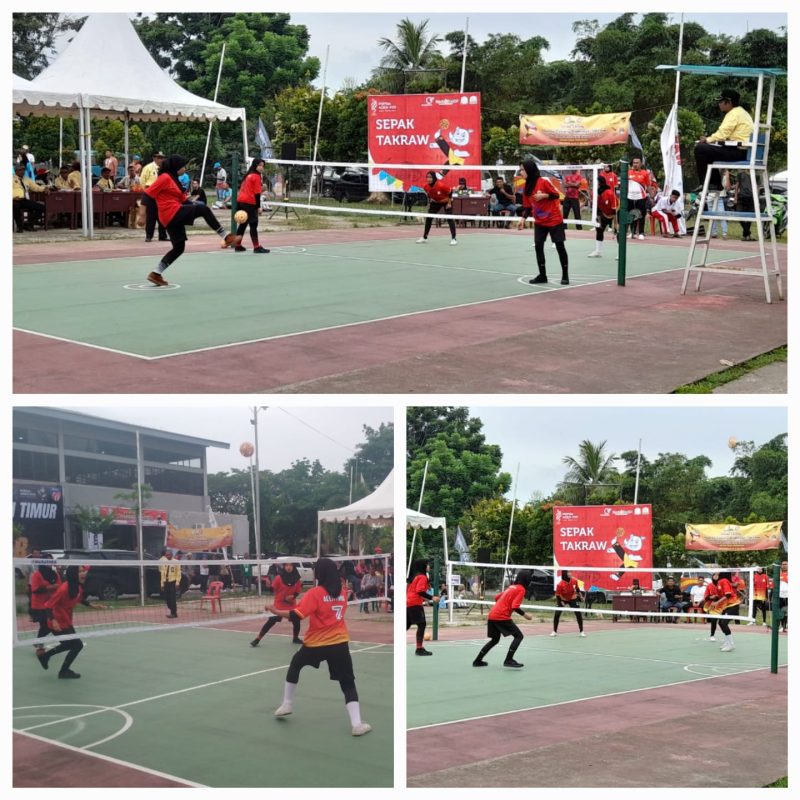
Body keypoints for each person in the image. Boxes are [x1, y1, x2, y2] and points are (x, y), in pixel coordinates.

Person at [271, 558, 371, 736]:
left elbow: (297, 615)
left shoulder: (315, 593)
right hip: (339, 643)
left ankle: (287, 703)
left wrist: (275, 611)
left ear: (320, 574)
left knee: (295, 665)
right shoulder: (342, 591)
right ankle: (357, 724)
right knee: (347, 682)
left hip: (316, 643)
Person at [144, 154, 241, 287]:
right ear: (176, 166)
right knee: (204, 209)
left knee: (179, 247)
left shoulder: (174, 180)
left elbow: (184, 201)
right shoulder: (165, 177)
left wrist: (194, 207)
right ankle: (226, 236)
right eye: (183, 166)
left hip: (172, 215)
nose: (185, 168)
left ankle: (156, 273)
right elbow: (148, 194)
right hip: (170, 212)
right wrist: (143, 214)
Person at [38, 565, 106, 678]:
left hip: (66, 621)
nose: (83, 573)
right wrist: (54, 621)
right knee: (77, 645)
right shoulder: (63, 589)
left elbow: (79, 598)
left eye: (83, 571)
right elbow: (48, 606)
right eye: (80, 571)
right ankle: (63, 671)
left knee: (69, 644)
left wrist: (92, 605)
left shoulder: (76, 587)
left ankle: (45, 656)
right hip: (57, 623)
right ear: (73, 574)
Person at [518, 159, 568, 285]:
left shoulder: (543, 182)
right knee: (538, 247)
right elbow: (528, 206)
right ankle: (542, 275)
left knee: (559, 246)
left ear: (530, 170)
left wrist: (544, 196)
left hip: (554, 219)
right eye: (520, 169)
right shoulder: (526, 188)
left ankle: (565, 275)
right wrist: (523, 218)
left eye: (523, 169)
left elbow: (556, 195)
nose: (521, 172)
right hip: (540, 222)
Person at [694, 89, 754, 191]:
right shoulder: (743, 113)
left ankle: (708, 183)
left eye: (721, 101)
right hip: (745, 151)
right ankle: (714, 183)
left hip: (738, 151)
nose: (719, 104)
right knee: (707, 151)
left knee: (700, 148)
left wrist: (707, 139)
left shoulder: (733, 114)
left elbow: (723, 133)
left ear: (729, 102)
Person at [472, 570, 533, 668]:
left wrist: (503, 603)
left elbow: (497, 597)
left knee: (495, 640)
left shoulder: (511, 587)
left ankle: (477, 661)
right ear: (526, 580)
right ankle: (508, 660)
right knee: (519, 636)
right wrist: (525, 615)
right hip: (501, 616)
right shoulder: (521, 589)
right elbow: (515, 606)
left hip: (492, 615)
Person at [251, 562, 303, 646]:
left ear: (293, 567)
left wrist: (293, 596)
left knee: (296, 620)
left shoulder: (297, 579)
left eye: (290, 565)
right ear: (284, 566)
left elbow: (297, 592)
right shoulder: (279, 578)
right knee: (271, 620)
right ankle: (257, 639)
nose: (288, 567)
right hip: (279, 604)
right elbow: (272, 590)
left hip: (291, 604)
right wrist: (267, 585)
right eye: (286, 565)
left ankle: (295, 638)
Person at [234, 158, 270, 254]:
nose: (261, 167)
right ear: (255, 165)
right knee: (253, 224)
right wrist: (258, 207)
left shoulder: (248, 175)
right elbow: (257, 194)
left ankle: (237, 245)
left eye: (263, 166)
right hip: (249, 202)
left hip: (240, 201)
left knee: (243, 224)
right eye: (260, 165)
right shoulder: (256, 176)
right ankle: (257, 247)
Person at [29, 556, 62, 659]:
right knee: (44, 625)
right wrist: (51, 587)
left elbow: (59, 586)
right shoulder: (37, 574)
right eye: (46, 560)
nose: (49, 562)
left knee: (48, 625)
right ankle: (39, 646)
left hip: (51, 604)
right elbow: (35, 589)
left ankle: (38, 642)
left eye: (50, 560)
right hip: (39, 605)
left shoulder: (54, 574)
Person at [406, 559, 440, 656]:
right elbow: (419, 591)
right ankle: (419, 649)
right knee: (422, 624)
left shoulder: (414, 577)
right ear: (423, 566)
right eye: (427, 565)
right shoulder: (422, 577)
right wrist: (432, 597)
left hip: (408, 603)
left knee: (407, 625)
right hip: (414, 603)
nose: (429, 566)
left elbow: (410, 590)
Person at [416, 171, 457, 246]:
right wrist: (430, 201)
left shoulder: (440, 185)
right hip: (436, 202)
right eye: (427, 177)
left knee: (449, 219)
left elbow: (450, 191)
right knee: (429, 218)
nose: (429, 179)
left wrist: (449, 203)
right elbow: (428, 194)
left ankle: (454, 239)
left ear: (434, 178)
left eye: (430, 177)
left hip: (446, 201)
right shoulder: (426, 187)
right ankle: (425, 237)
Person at [587, 174, 618, 258]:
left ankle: (620, 253)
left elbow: (614, 209)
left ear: (600, 183)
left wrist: (615, 223)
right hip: (602, 214)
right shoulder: (595, 193)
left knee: (618, 232)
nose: (592, 184)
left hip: (615, 214)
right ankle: (598, 251)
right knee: (599, 231)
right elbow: (597, 206)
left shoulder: (610, 193)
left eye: (594, 182)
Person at [708, 571, 740, 652]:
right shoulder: (718, 583)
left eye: (717, 573)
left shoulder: (724, 581)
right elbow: (719, 596)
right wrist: (713, 602)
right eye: (714, 574)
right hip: (726, 606)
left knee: (723, 623)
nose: (715, 575)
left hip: (733, 605)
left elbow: (728, 595)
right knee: (720, 623)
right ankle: (727, 642)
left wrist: (716, 602)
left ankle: (731, 644)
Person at [140, 151, 168, 242]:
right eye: (158, 157)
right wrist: (147, 192)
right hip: (151, 193)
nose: (161, 159)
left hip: (162, 194)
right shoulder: (148, 167)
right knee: (151, 216)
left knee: (162, 215)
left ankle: (162, 235)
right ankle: (149, 235)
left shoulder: (165, 168)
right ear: (154, 158)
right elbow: (142, 180)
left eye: (162, 158)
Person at [13, 163, 47, 232]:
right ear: (16, 171)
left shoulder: (27, 179)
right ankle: (20, 227)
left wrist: (44, 189)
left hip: (24, 200)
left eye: (23, 170)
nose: (22, 171)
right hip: (14, 200)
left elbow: (35, 187)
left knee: (42, 207)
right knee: (15, 207)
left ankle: (29, 224)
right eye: (20, 170)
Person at [551, 570, 585, 636]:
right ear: (565, 574)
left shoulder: (574, 581)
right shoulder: (560, 584)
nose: (570, 573)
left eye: (571, 572)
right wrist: (561, 602)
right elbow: (557, 595)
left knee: (578, 613)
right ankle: (554, 631)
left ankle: (581, 631)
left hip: (572, 598)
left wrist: (581, 596)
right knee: (557, 614)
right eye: (568, 572)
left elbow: (577, 589)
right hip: (562, 599)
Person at [626, 157, 651, 239]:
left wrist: (651, 197)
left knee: (641, 215)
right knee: (631, 214)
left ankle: (641, 233)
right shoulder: (628, 172)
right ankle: (632, 232)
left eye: (637, 163)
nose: (635, 164)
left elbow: (648, 186)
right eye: (634, 163)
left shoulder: (645, 173)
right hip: (630, 197)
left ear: (641, 164)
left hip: (641, 197)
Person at [734, 170, 756, 242]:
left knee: (750, 216)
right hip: (742, 196)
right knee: (739, 214)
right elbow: (737, 186)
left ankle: (745, 235)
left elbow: (756, 186)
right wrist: (735, 197)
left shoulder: (754, 173)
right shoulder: (740, 174)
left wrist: (756, 197)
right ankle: (748, 233)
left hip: (751, 197)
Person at [159, 548, 181, 618]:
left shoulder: (176, 562)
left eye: (168, 555)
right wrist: (162, 584)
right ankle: (173, 611)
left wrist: (177, 583)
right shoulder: (164, 562)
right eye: (166, 555)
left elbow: (178, 573)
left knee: (172, 598)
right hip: (166, 582)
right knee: (167, 599)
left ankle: (173, 613)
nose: (167, 556)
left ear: (171, 555)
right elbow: (163, 573)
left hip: (173, 582)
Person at [561, 168, 583, 232]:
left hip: (575, 198)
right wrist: (573, 184)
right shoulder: (567, 176)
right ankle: (564, 227)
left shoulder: (579, 176)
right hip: (567, 197)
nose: (573, 170)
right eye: (572, 168)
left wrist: (569, 183)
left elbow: (577, 185)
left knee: (577, 213)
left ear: (576, 169)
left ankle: (579, 228)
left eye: (574, 169)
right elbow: (564, 185)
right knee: (565, 213)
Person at [703, 572, 721, 642]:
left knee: (723, 622)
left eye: (717, 575)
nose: (716, 576)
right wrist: (711, 597)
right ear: (712, 577)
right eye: (715, 575)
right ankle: (712, 635)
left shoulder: (722, 584)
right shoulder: (709, 586)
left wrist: (718, 597)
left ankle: (727, 636)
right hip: (713, 606)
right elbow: (706, 597)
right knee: (714, 620)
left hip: (722, 605)